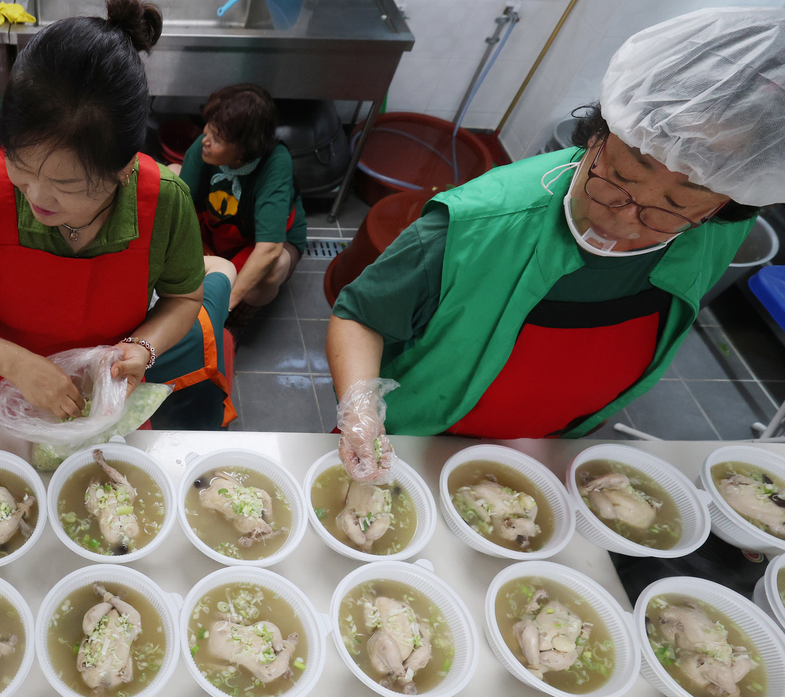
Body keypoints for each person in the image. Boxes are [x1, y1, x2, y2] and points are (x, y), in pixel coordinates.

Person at [326, 7, 783, 481]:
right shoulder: (478, 224)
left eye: (672, 209)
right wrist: (361, 411)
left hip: (542, 455)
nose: (626, 222)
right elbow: (359, 316)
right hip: (410, 450)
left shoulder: (722, 230)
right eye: (619, 180)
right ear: (595, 137)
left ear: (726, 204)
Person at [0, 0, 237, 431]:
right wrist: (19, 366)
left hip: (108, 401)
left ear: (123, 170)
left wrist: (144, 347)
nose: (38, 197)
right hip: (9, 392)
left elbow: (183, 298)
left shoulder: (164, 201)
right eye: (22, 171)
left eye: (67, 186)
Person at [175, 83, 305, 331]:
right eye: (209, 129)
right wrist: (199, 249)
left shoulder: (275, 164)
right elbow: (182, 210)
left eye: (218, 138)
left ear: (242, 151)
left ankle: (242, 312)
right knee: (171, 176)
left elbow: (268, 248)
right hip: (213, 228)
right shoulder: (202, 149)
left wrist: (223, 307)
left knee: (269, 273)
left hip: (256, 241)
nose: (206, 140)